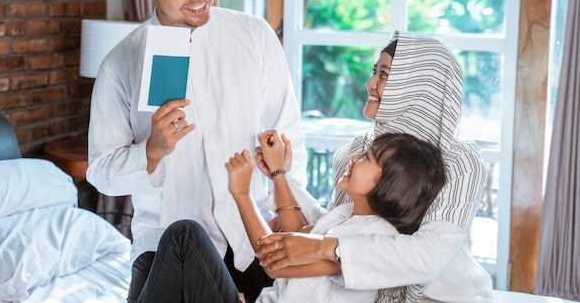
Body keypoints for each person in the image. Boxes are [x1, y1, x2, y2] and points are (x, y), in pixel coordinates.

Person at [85, 0, 311, 303]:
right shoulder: (121, 64)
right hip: (163, 243)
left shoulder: (254, 37)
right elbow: (101, 175)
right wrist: (151, 152)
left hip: (254, 233)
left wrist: (284, 196)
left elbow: (292, 139)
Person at [255, 31, 494, 303]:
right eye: (374, 72)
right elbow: (340, 224)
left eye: (385, 75)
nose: (370, 83)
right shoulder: (358, 149)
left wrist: (323, 248)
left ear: (418, 86)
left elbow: (428, 255)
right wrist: (281, 176)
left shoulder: (460, 160)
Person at [133, 129, 447, 303]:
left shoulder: (372, 237)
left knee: (185, 236)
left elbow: (276, 259)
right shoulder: (348, 214)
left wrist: (241, 193)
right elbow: (298, 235)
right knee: (153, 260)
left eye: (366, 159)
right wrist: (279, 173)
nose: (354, 157)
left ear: (387, 185)